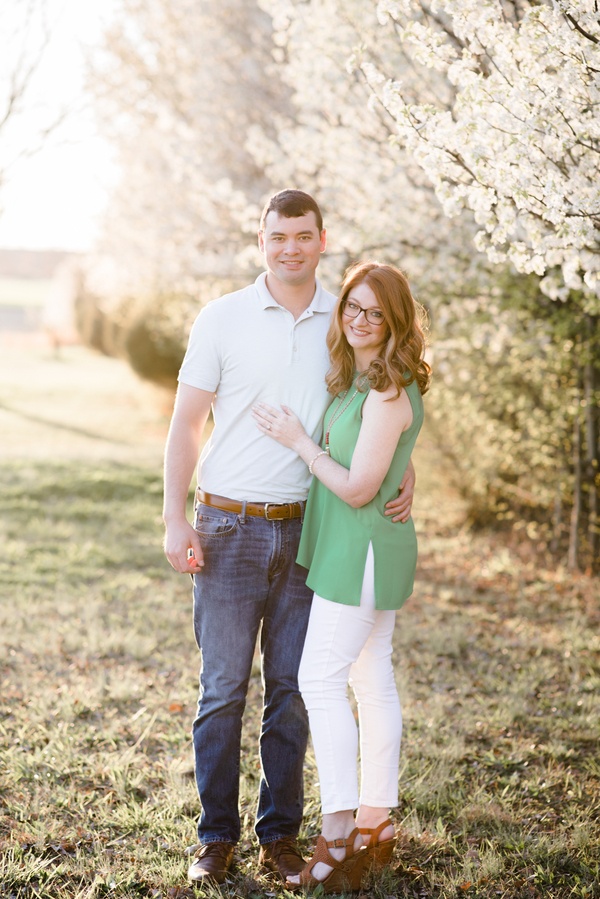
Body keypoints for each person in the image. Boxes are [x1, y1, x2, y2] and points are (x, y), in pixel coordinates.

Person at [162, 190, 416, 886]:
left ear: (322, 239)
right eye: (278, 236)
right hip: (227, 525)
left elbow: (380, 399)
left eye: (303, 236)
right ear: (262, 238)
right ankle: (216, 837)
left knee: (293, 690)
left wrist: (406, 464)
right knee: (221, 690)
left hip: (310, 530)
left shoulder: (344, 317)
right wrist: (173, 514)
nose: (290, 248)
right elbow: (186, 422)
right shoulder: (224, 318)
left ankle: (280, 834)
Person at [252, 260, 431, 893]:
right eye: (351, 307)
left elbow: (357, 487)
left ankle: (336, 831)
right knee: (370, 675)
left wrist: (302, 443)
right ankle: (376, 824)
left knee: (318, 678)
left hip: (364, 549)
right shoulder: (363, 377)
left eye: (373, 312)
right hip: (362, 545)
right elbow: (386, 459)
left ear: (395, 321)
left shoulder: (386, 390)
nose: (358, 319)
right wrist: (404, 470)